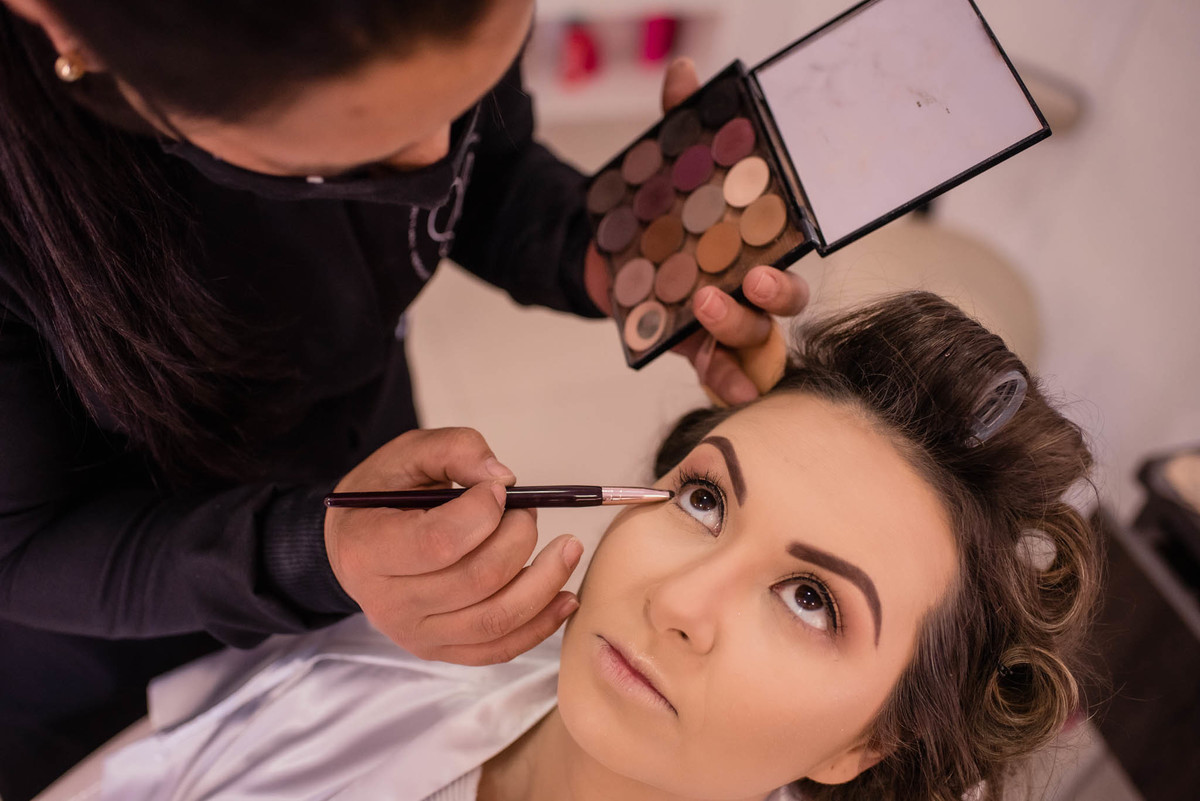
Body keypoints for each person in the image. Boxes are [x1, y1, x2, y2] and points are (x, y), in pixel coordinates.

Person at [0, 0, 810, 797]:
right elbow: (22, 542)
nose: (436, 159)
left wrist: (600, 246)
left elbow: (485, 175)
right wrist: (311, 553)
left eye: (466, 100)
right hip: (107, 641)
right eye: (361, 160)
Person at [84, 292, 1100, 801]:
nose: (680, 605)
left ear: (862, 747)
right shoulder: (386, 651)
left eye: (810, 600)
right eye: (705, 501)